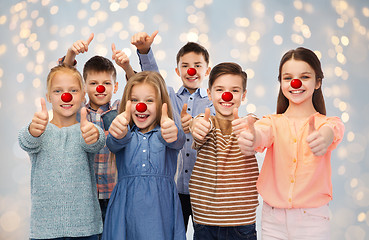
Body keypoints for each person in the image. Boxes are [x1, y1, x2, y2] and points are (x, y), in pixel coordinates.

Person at [238, 47, 345, 239]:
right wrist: (252, 138)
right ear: (281, 83)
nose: (295, 83)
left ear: (318, 82)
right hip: (273, 219)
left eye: (304, 77)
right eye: (288, 78)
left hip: (313, 220)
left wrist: (325, 136)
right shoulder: (271, 122)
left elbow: (333, 131)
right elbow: (262, 134)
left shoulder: (327, 123)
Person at [131, 31, 215, 232]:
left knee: (204, 234)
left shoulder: (214, 102)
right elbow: (153, 76)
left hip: (203, 189)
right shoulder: (169, 97)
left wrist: (196, 123)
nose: (191, 71)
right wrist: (144, 51)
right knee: (171, 233)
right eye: (185, 66)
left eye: (197, 66)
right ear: (177, 71)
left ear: (207, 70)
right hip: (174, 188)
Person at [18, 64, 105, 240]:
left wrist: (95, 134)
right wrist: (32, 131)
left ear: (82, 96)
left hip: (85, 228)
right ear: (48, 97)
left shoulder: (86, 130)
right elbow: (26, 141)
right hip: (45, 229)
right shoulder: (40, 130)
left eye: (73, 90)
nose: (66, 96)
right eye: (58, 91)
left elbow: (96, 142)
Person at [59, 33, 135, 225]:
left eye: (106, 83)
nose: (100, 88)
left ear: (116, 86)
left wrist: (126, 67)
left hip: (115, 192)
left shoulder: (120, 109)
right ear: (84, 87)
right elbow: (63, 81)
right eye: (93, 84)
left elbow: (138, 89)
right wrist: (70, 54)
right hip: (85, 194)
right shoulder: (78, 110)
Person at [102, 71, 186, 240]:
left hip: (160, 215)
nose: (141, 106)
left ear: (161, 103)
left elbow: (178, 140)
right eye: (135, 100)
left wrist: (173, 131)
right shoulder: (124, 135)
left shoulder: (167, 134)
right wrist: (118, 132)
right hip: (125, 214)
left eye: (149, 100)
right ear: (127, 102)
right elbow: (113, 142)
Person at [189, 62, 259, 239]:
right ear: (209, 94)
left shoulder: (250, 124)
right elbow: (197, 127)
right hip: (205, 221)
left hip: (242, 222)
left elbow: (259, 130)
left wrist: (254, 131)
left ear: (243, 96)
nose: (226, 95)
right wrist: (196, 125)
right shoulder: (205, 122)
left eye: (234, 91)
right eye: (219, 90)